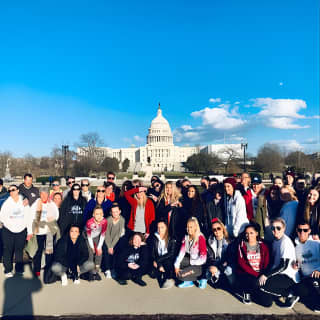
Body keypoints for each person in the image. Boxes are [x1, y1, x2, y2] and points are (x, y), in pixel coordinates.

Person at [260, 218, 299, 309]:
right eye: (273, 228)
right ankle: (277, 294)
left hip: (288, 276)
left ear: (284, 229)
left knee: (263, 285)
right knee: (265, 299)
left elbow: (283, 266)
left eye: (278, 228)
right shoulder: (275, 241)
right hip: (279, 274)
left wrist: (266, 275)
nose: (275, 230)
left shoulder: (285, 242)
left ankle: (289, 293)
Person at [0, 185, 33, 277]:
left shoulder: (24, 202)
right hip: (8, 231)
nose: (11, 192)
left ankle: (19, 269)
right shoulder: (7, 203)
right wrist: (10, 224)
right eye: (9, 190)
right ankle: (8, 270)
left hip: (21, 231)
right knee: (8, 250)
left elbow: (28, 217)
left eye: (13, 190)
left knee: (19, 251)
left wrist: (30, 231)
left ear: (18, 190)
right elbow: (2, 216)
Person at [236, 223, 271, 306]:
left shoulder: (263, 246)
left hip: (260, 274)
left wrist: (262, 274)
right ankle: (247, 292)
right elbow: (242, 264)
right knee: (250, 280)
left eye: (251, 233)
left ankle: (254, 293)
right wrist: (256, 274)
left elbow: (267, 262)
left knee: (267, 303)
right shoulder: (241, 245)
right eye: (247, 233)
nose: (249, 235)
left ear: (256, 233)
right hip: (247, 274)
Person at [30, 187, 60, 277]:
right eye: (42, 194)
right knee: (38, 251)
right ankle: (37, 269)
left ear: (48, 195)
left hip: (49, 231)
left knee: (49, 252)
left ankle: (48, 269)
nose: (44, 196)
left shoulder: (52, 204)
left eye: (45, 194)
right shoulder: (36, 204)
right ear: (40, 194)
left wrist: (52, 219)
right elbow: (31, 216)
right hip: (39, 231)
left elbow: (56, 214)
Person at [294, 221, 320, 312]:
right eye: (300, 230)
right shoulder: (295, 247)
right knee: (299, 290)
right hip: (306, 278)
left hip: (318, 274)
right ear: (296, 231)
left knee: (315, 283)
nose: (302, 232)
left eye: (305, 230)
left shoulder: (316, 244)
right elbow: (296, 264)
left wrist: (319, 270)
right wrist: (295, 265)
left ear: (309, 231)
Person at [174, 217, 207, 288]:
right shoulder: (186, 237)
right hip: (191, 262)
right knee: (176, 269)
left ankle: (202, 278)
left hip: (199, 265)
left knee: (180, 275)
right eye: (188, 227)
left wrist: (192, 262)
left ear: (195, 227)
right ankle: (189, 281)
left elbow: (203, 259)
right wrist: (176, 266)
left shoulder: (200, 238)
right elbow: (181, 253)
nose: (189, 229)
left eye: (191, 227)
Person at [150, 220, 177, 289]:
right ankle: (162, 272)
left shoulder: (171, 238)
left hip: (167, 259)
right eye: (158, 227)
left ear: (166, 228)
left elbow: (171, 253)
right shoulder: (154, 237)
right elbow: (152, 252)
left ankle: (169, 278)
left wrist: (157, 261)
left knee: (167, 265)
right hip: (158, 258)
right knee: (153, 274)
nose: (159, 230)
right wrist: (159, 264)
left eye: (162, 227)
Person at [205, 218, 231, 289]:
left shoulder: (229, 241)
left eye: (218, 228)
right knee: (208, 274)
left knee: (229, 271)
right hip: (214, 263)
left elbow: (230, 258)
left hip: (224, 264)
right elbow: (209, 257)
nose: (216, 231)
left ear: (222, 228)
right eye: (214, 229)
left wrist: (218, 269)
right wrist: (212, 266)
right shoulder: (209, 241)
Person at [85, 206, 108, 281]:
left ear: (103, 214)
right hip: (88, 237)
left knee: (99, 253)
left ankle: (96, 271)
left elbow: (102, 235)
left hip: (97, 236)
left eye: (101, 213)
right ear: (93, 215)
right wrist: (92, 247)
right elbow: (89, 236)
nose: (99, 215)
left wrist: (99, 247)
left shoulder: (104, 221)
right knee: (91, 253)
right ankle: (90, 272)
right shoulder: (89, 222)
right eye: (97, 214)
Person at [103, 203, 126, 278]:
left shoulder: (122, 220)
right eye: (113, 212)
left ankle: (113, 268)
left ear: (120, 211)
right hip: (107, 239)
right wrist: (109, 246)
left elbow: (118, 235)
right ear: (111, 212)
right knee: (106, 250)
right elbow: (107, 234)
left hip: (116, 239)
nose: (115, 213)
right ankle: (107, 269)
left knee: (116, 251)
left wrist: (112, 246)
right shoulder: (108, 220)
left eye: (116, 211)